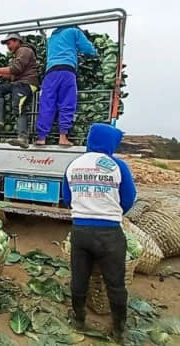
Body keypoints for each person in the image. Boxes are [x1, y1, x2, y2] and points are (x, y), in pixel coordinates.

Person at [62, 123, 137, 343]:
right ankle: (119, 329)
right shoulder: (118, 166)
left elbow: (67, 198)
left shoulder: (73, 165)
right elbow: (129, 198)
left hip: (81, 232)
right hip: (110, 235)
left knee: (79, 278)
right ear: (109, 142)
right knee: (115, 283)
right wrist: (111, 212)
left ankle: (78, 318)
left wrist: (86, 210)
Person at [36, 27, 97, 146]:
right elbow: (87, 48)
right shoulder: (74, 31)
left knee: (46, 103)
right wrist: (94, 53)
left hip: (50, 73)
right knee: (67, 103)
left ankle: (41, 138)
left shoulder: (51, 38)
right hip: (67, 71)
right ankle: (63, 137)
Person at [0, 33, 39, 148]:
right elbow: (15, 74)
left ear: (17, 41)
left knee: (18, 106)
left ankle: (23, 138)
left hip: (27, 84)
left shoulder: (24, 50)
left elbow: (17, 68)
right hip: (17, 83)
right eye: (7, 44)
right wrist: (1, 75)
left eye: (9, 43)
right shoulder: (17, 54)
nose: (8, 46)